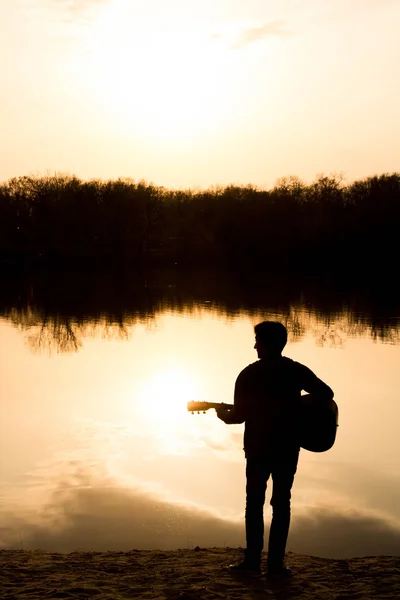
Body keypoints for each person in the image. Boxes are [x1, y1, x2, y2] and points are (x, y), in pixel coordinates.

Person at [216, 321, 334, 579]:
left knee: (254, 503)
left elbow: (238, 416)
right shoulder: (295, 370)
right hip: (287, 447)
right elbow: (326, 393)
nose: (255, 345)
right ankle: (276, 566)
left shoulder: (248, 374)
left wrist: (222, 415)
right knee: (282, 504)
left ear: (268, 343)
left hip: (258, 448)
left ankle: (251, 561)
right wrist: (299, 406)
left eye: (258, 340)